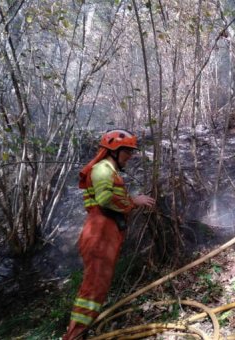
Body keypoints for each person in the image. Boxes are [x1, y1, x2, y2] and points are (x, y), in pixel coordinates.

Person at [63, 129, 155, 340]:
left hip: (104, 233)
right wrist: (134, 201)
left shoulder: (107, 170)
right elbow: (104, 200)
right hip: (99, 235)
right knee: (93, 290)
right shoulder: (102, 169)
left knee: (97, 287)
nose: (130, 157)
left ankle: (80, 332)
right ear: (114, 151)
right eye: (127, 152)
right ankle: (74, 335)